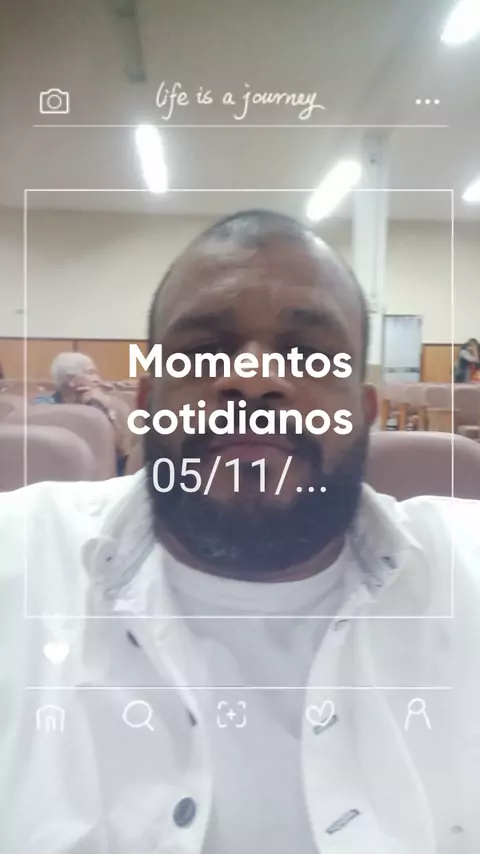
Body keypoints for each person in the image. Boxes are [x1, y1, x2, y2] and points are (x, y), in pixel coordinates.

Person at [1, 209, 479, 854]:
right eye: (203, 353)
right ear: (146, 403)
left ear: (363, 413)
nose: (253, 380)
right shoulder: (20, 558)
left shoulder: (464, 569)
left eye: (308, 355)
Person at [34, 351, 129, 474]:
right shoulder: (43, 407)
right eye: (90, 373)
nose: (98, 380)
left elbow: (121, 450)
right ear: (70, 380)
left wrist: (103, 406)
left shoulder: (103, 405)